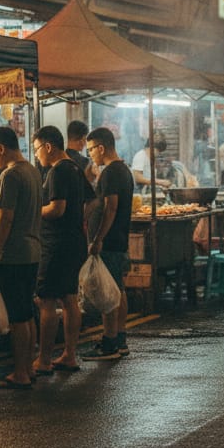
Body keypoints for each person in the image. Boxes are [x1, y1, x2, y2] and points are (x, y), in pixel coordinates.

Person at [0, 125, 43, 390]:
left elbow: (5, 218)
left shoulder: (9, 175)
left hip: (14, 254)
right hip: (32, 251)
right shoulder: (32, 171)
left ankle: (20, 372)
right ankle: (28, 368)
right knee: (26, 313)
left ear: (0, 148)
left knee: (18, 318)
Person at [31, 126, 89, 375]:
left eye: (36, 150)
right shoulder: (76, 168)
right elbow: (89, 201)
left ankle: (44, 359)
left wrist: (32, 211)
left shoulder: (57, 171)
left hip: (56, 245)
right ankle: (69, 355)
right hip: (75, 241)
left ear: (48, 146)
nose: (36, 156)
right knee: (69, 299)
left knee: (47, 301)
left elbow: (56, 209)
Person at [82, 126, 135, 361]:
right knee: (118, 289)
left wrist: (98, 239)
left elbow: (110, 206)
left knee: (107, 293)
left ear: (101, 147)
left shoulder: (111, 172)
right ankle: (120, 339)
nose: (91, 153)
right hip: (119, 239)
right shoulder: (123, 170)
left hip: (110, 242)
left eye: (92, 149)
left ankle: (109, 343)